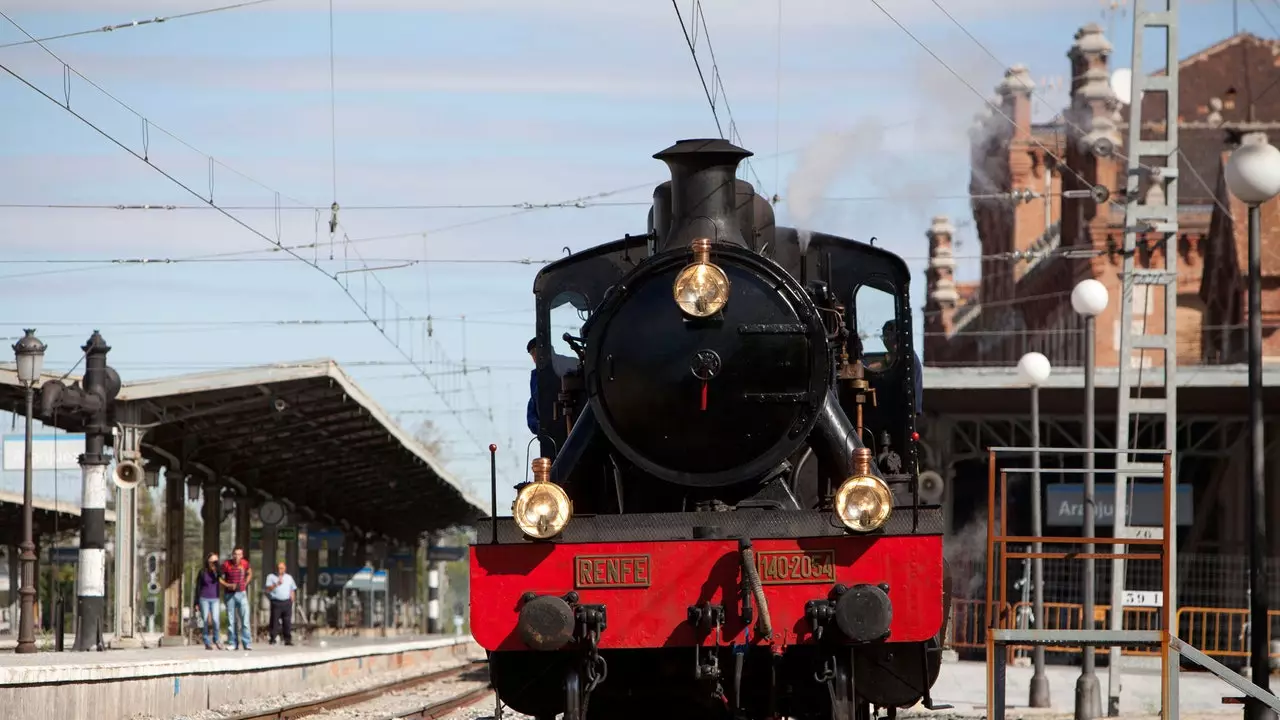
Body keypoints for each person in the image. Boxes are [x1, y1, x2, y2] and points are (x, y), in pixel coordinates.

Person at [881, 319, 924, 416]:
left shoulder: (906, 357)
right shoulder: (899, 356)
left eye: (888, 337)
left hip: (905, 411)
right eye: (884, 337)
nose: (885, 341)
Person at [220, 546, 253, 650]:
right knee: (231, 620)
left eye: (239, 554)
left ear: (242, 555)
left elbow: (250, 573)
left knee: (245, 620)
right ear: (232, 554)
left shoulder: (245, 564)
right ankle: (232, 643)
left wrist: (246, 582)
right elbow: (219, 577)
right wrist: (227, 585)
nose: (237, 556)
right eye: (235, 554)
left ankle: (247, 643)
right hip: (230, 595)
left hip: (242, 593)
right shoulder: (226, 564)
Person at [194, 552, 224, 650]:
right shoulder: (202, 572)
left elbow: (221, 575)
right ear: (208, 561)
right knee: (205, 620)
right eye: (213, 561)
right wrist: (196, 602)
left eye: (216, 561)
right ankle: (207, 641)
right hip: (204, 598)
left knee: (216, 620)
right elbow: (198, 587)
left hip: (215, 598)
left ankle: (216, 639)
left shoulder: (217, 572)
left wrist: (216, 568)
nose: (214, 563)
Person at [264, 561, 297, 646]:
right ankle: (273, 638)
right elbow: (267, 589)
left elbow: (292, 589)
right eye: (278, 568)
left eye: (282, 568)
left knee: (287, 621)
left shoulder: (289, 577)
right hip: (276, 601)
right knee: (274, 621)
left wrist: (292, 599)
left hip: (287, 602)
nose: (280, 570)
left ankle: (287, 639)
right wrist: (276, 584)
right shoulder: (271, 577)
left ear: (285, 569)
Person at [526, 337, 539, 435]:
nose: (534, 356)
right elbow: (533, 402)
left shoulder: (561, 367)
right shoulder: (535, 377)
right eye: (532, 353)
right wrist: (538, 427)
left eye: (535, 351)